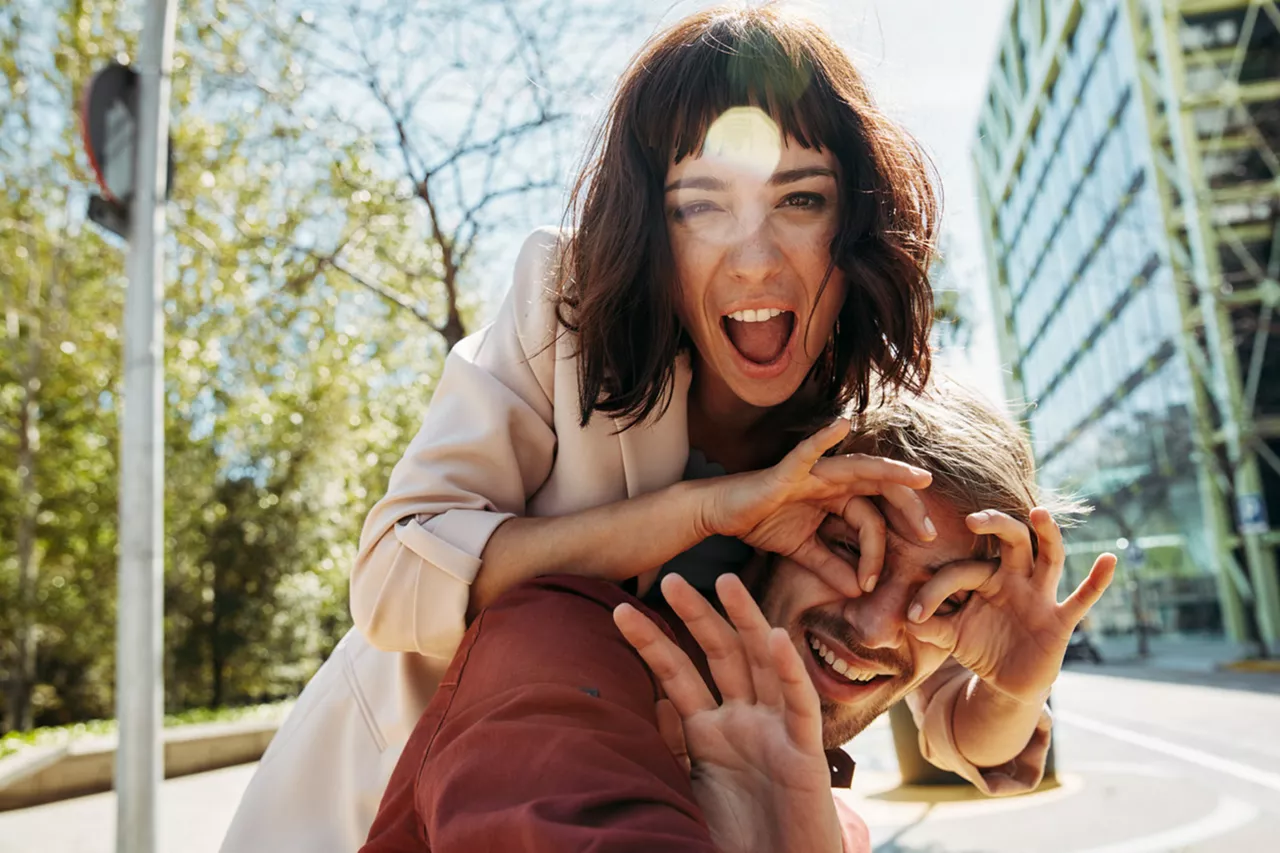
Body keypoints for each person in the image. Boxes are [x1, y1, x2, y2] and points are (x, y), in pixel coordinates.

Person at [223, 6, 983, 850]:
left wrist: (1012, 696)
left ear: (856, 225)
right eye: (701, 204)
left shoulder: (860, 419)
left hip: (657, 805)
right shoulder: (568, 309)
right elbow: (395, 579)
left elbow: (933, 694)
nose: (756, 256)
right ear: (653, 232)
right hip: (396, 793)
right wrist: (705, 511)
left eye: (801, 198)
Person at [358, 384, 1117, 852]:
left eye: (945, 599)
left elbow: (973, 733)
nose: (883, 624)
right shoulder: (562, 648)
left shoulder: (827, 809)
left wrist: (1016, 693)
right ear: (773, 519)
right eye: (855, 547)